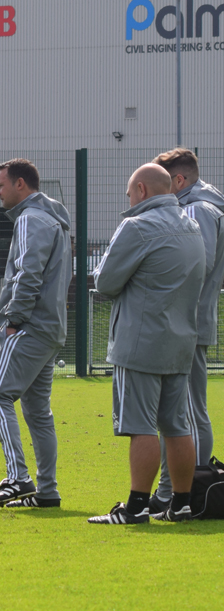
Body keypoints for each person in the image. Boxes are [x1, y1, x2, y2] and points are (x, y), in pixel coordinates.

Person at [88, 163, 205, 524]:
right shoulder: (193, 226)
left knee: (140, 426)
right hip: (181, 340)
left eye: (129, 194)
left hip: (139, 342)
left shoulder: (136, 226)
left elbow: (105, 282)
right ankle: (181, 503)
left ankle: (136, 507)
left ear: (140, 190)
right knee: (177, 425)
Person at [0, 159, 73, 510]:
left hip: (29, 326)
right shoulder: (56, 222)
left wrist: (14, 320)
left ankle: (18, 478)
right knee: (38, 413)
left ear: (21, 184)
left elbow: (27, 273)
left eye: (1, 184)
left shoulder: (29, 219)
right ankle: (47, 492)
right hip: (51, 328)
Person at [149, 148, 224, 516]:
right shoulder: (206, 206)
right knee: (188, 409)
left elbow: (197, 264)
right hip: (191, 320)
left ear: (179, 181)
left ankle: (188, 491)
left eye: (164, 184)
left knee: (189, 412)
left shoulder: (196, 210)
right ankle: (183, 490)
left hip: (187, 322)